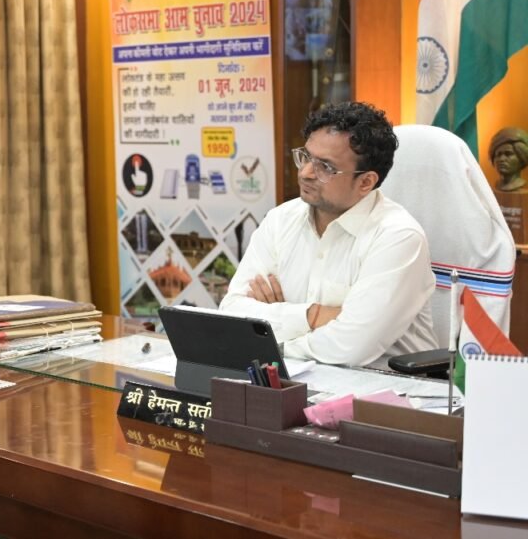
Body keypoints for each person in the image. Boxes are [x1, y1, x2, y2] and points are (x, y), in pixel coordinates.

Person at [218, 102, 436, 369]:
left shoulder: (398, 237)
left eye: (325, 167)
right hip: (291, 379)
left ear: (365, 182)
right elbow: (232, 313)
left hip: (383, 386)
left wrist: (270, 339)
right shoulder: (280, 220)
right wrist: (312, 316)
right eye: (306, 157)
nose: (305, 173)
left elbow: (349, 347)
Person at [488, 127, 528, 192]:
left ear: (521, 158)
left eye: (508, 154)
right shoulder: (489, 190)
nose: (502, 159)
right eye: (498, 154)